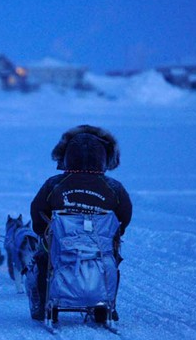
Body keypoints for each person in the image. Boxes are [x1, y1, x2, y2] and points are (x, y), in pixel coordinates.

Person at [28, 124, 132, 321]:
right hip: (100, 248)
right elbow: (124, 217)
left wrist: (43, 232)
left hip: (62, 247)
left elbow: (37, 210)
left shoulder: (54, 184)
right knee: (113, 259)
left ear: (67, 156)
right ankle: (109, 303)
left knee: (43, 260)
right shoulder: (114, 188)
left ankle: (43, 305)